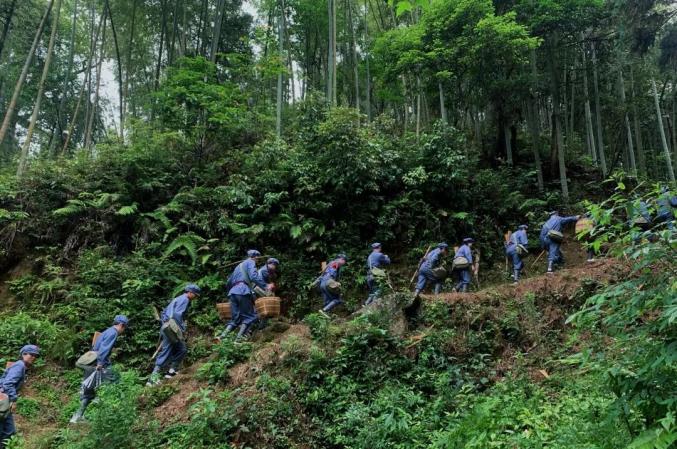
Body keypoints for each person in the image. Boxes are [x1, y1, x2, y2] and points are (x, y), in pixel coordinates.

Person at [70, 315, 128, 423]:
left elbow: (96, 345)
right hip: (98, 363)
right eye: (124, 328)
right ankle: (101, 401)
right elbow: (104, 348)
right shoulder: (113, 333)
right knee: (115, 379)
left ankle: (77, 417)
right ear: (121, 325)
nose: (123, 331)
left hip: (90, 362)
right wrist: (100, 363)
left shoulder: (107, 331)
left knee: (89, 390)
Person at [147, 285, 200, 386]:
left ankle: (171, 372)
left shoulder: (178, 298)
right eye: (195, 295)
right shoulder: (185, 300)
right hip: (171, 329)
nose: (195, 297)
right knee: (166, 352)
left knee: (182, 349)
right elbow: (176, 315)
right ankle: (152, 379)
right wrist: (182, 328)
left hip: (167, 327)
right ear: (190, 292)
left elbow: (166, 314)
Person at [220, 250, 272, 340]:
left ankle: (221, 337)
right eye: (258, 259)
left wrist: (231, 293)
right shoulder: (251, 262)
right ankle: (238, 339)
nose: (257, 261)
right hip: (242, 291)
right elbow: (253, 277)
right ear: (255, 257)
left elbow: (229, 282)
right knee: (251, 316)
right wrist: (266, 286)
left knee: (235, 319)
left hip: (232, 292)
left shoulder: (238, 266)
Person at [0, 345, 39, 448]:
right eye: (31, 354)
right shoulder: (19, 366)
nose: (33, 357)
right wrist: (14, 399)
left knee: (9, 431)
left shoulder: (20, 366)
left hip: (4, 401)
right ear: (23, 354)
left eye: (36, 356)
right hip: (2, 401)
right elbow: (8, 383)